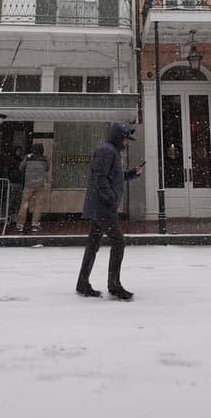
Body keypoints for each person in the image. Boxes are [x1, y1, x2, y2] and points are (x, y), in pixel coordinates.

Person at [76, 122, 143, 300]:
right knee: (119, 242)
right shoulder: (107, 151)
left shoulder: (112, 151)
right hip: (103, 207)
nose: (128, 143)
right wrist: (111, 198)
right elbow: (100, 178)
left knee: (93, 245)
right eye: (127, 139)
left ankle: (82, 283)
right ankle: (114, 285)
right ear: (119, 137)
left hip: (100, 207)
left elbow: (115, 177)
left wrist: (133, 173)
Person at [16, 143, 49, 232]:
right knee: (38, 205)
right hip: (40, 185)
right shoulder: (44, 159)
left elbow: (21, 167)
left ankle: (20, 224)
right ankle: (35, 224)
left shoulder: (28, 157)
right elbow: (47, 169)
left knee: (24, 204)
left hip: (28, 185)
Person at [6, 145, 25, 223]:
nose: (19, 152)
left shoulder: (20, 160)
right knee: (12, 200)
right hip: (14, 182)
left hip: (18, 182)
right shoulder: (14, 161)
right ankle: (9, 216)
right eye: (18, 151)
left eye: (20, 151)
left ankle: (15, 217)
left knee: (17, 201)